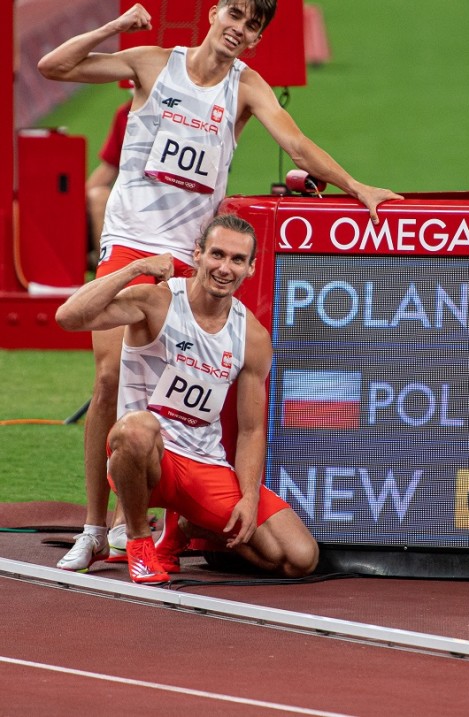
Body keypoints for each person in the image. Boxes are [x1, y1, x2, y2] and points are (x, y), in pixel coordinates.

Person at [37, 0, 401, 572]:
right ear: (214, 13)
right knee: (108, 377)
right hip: (131, 243)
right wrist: (113, 28)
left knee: (191, 391)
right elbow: (54, 65)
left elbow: (299, 145)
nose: (239, 28)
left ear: (256, 39)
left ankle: (172, 531)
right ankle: (97, 527)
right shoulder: (153, 64)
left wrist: (357, 188)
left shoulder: (246, 88)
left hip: (191, 256)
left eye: (252, 25)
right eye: (234, 14)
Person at [55, 214, 319, 584]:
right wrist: (135, 268)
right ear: (197, 254)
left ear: (251, 268)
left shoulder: (253, 337)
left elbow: (250, 429)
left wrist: (247, 499)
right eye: (217, 254)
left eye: (237, 260)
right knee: (135, 429)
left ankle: (185, 528)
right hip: (146, 460)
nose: (225, 268)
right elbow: (68, 317)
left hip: (203, 465)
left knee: (298, 557)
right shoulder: (156, 302)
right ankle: (138, 541)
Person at [85, 98, 131, 271]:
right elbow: (110, 167)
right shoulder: (125, 113)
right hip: (130, 200)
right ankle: (106, 272)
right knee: (98, 196)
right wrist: (73, 206)